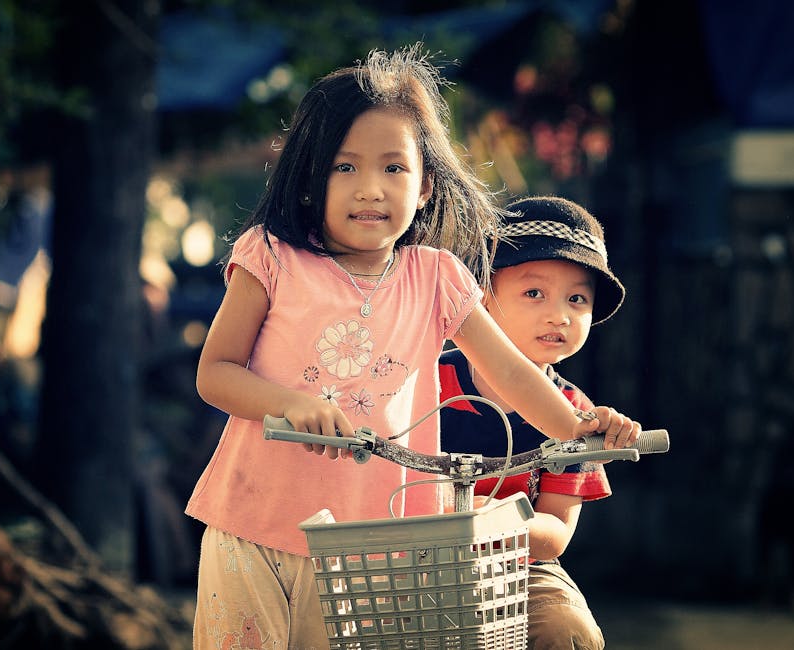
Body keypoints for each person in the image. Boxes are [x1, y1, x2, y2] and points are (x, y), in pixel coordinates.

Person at [186, 45, 635, 650]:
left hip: (371, 548)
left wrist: (583, 427)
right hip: (254, 523)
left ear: (425, 186)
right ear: (308, 178)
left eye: (394, 169)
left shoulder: (437, 276)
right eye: (344, 167)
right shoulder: (269, 256)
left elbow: (513, 374)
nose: (370, 189)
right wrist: (290, 404)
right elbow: (215, 373)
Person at [439, 195, 640, 649]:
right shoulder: (424, 382)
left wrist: (479, 520)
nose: (559, 315)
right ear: (484, 297)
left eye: (577, 299)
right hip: (415, 553)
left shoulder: (574, 414)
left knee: (568, 632)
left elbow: (552, 536)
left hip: (521, 565)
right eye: (534, 293)